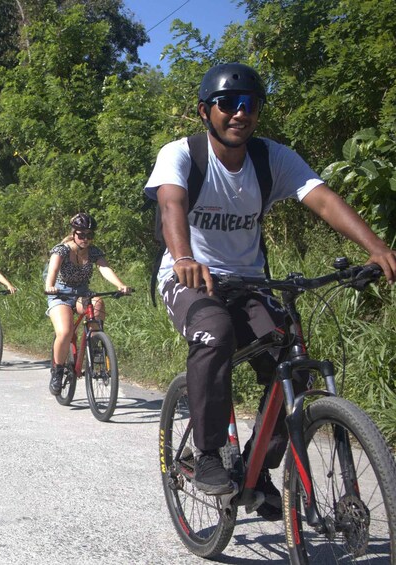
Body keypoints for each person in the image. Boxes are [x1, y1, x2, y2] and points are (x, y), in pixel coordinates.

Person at [144, 63, 396, 520]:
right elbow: (171, 204)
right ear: (205, 111)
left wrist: (376, 247)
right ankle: (207, 454)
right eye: (227, 104)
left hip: (250, 282)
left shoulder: (271, 158)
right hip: (186, 279)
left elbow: (321, 197)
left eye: (250, 105)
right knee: (214, 332)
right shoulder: (181, 154)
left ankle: (258, 470)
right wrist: (183, 257)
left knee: (293, 360)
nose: (239, 113)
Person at [44, 213, 132, 395]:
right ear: (74, 233)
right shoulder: (62, 250)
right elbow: (53, 269)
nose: (85, 238)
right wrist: (50, 286)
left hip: (81, 294)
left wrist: (120, 285)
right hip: (60, 294)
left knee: (98, 303)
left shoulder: (93, 252)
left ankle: (96, 346)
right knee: (66, 332)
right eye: (81, 234)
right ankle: (58, 371)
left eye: (89, 235)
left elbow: (105, 268)